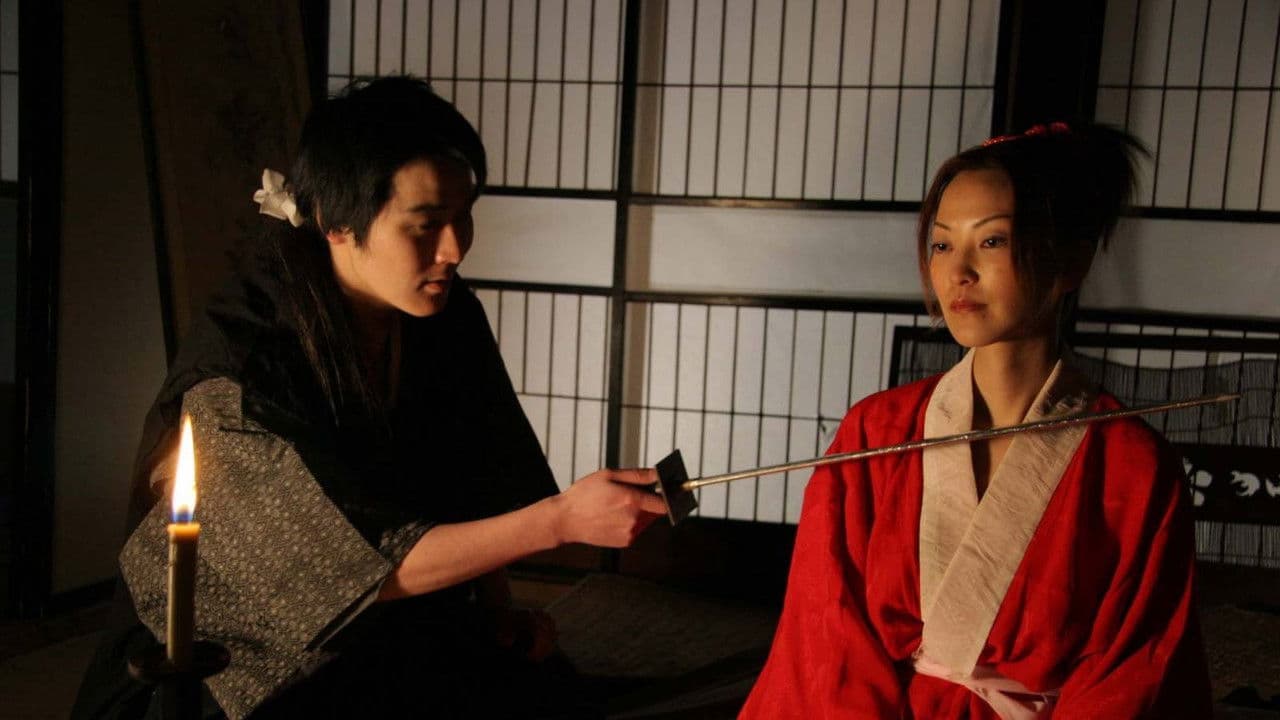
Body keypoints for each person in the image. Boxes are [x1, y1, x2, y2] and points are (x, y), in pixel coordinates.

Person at [72, 76, 666, 720]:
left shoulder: (443, 314)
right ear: (336, 222)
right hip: (239, 664)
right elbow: (348, 570)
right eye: (426, 225)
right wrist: (559, 520)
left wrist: (499, 611)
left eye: (463, 217)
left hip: (395, 623)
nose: (454, 249)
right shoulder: (242, 371)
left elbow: (473, 474)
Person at [740, 122, 1212, 719]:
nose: (958, 271)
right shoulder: (877, 432)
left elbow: (1134, 674)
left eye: (992, 241)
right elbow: (825, 635)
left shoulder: (1132, 466)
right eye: (942, 245)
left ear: (1071, 260)